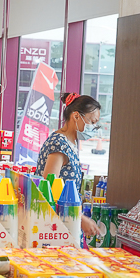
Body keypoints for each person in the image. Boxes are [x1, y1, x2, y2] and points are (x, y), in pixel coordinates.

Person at [36, 92, 101, 238]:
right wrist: (79, 218)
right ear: (76, 116)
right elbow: (49, 188)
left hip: (64, 221)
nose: (94, 128)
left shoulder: (71, 142)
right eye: (92, 122)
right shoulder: (59, 143)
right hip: (54, 226)